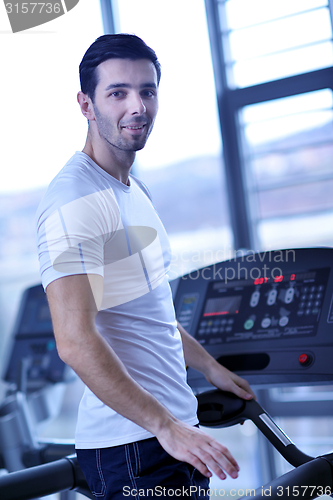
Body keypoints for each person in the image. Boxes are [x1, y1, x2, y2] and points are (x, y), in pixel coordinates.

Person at [36, 34, 255, 499]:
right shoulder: (75, 198)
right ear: (86, 104)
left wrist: (210, 367)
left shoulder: (134, 190)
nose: (137, 106)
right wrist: (165, 426)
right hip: (133, 445)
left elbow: (148, 314)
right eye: (117, 92)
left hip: (169, 434)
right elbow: (74, 341)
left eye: (147, 91)